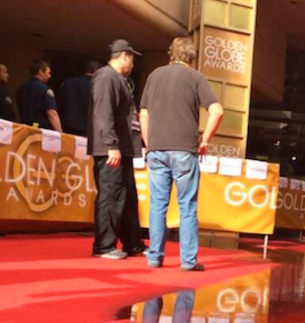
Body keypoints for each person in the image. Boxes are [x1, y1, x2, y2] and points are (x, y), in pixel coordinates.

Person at [139, 37, 224, 271]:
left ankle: (155, 258)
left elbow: (143, 114)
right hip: (184, 150)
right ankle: (188, 261)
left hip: (157, 149)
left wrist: (149, 143)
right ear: (192, 59)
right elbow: (217, 111)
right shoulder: (195, 77)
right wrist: (205, 141)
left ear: (171, 55)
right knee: (187, 206)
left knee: (158, 205)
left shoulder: (154, 76)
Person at [88, 40, 147, 260]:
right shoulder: (106, 77)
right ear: (125, 56)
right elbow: (103, 113)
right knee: (110, 196)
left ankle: (133, 243)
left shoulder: (117, 79)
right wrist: (111, 144)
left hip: (123, 148)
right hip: (111, 149)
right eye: (132, 59)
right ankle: (104, 246)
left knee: (127, 198)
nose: (133, 64)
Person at [16, 59, 62, 132]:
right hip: (41, 131)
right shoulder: (45, 90)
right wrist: (60, 133)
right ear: (41, 72)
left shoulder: (21, 89)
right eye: (48, 73)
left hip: (25, 129)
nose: (50, 76)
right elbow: (52, 114)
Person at [58, 60, 100, 136]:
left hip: (66, 125)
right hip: (86, 128)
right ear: (97, 71)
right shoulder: (97, 87)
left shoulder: (68, 83)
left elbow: (59, 105)